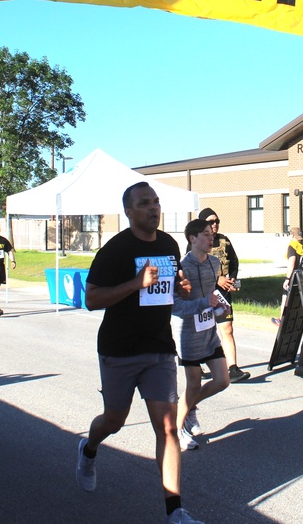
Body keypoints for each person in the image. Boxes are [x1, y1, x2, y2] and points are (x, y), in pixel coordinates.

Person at [76, 182, 218, 524]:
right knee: (114, 420)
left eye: (156, 202)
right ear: (129, 211)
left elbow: (173, 289)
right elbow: (92, 299)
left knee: (168, 428)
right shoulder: (115, 249)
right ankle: (89, 447)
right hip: (119, 348)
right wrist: (134, 283)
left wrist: (181, 288)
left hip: (158, 348)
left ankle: (175, 512)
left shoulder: (169, 244)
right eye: (144, 203)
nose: (153, 208)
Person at [174, 218, 231, 451]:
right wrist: (202, 302)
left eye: (212, 234)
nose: (211, 238)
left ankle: (186, 409)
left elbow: (212, 294)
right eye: (206, 234)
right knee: (193, 384)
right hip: (187, 333)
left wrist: (220, 305)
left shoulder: (215, 263)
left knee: (222, 380)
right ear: (192, 239)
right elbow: (175, 307)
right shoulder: (181, 267)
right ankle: (177, 430)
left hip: (209, 331)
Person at [198, 208, 250, 383]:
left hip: (223, 294)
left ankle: (233, 368)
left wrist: (232, 280)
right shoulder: (197, 241)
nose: (215, 224)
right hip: (204, 294)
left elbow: (234, 261)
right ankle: (195, 365)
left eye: (217, 221)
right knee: (203, 331)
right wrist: (216, 279)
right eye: (211, 221)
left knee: (227, 329)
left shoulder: (224, 241)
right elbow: (194, 268)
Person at [272, 227, 303, 327]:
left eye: (290, 234)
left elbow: (291, 263)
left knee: (285, 296)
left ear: (293, 235)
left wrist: (287, 279)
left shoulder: (292, 246)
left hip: (294, 276)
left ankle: (281, 320)